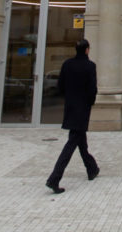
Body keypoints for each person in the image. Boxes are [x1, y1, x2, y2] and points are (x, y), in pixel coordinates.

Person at [46, 38, 99, 194]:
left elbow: (60, 86)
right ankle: (54, 178)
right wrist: (90, 102)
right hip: (83, 108)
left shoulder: (67, 64)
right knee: (72, 143)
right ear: (87, 50)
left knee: (80, 139)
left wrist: (70, 98)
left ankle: (92, 168)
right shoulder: (90, 66)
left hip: (70, 107)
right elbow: (92, 88)